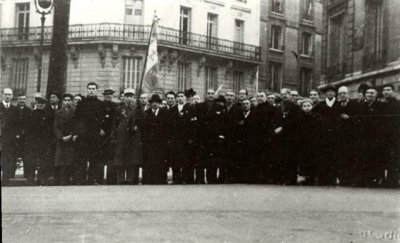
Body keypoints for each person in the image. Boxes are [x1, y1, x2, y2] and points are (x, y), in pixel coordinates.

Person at [74, 82, 106, 185]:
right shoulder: (81, 103)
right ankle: (81, 180)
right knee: (82, 158)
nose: (91, 90)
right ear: (87, 90)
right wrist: (77, 133)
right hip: (83, 135)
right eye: (90, 88)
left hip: (95, 135)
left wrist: (101, 129)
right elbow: (77, 119)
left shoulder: (101, 104)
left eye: (93, 88)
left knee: (94, 158)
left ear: (96, 90)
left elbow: (102, 120)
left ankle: (92, 180)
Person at [111, 88, 143, 184]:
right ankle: (120, 180)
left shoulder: (136, 108)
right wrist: (113, 137)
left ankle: (130, 180)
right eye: (127, 96)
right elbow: (114, 124)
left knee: (131, 160)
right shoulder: (118, 109)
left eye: (131, 96)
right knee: (120, 160)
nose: (129, 98)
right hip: (121, 138)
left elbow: (143, 118)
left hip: (132, 138)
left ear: (133, 97)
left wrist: (139, 106)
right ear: (123, 97)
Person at [270, 88, 301, 185]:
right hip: (280, 136)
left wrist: (282, 127)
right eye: (282, 94)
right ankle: (282, 178)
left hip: (290, 136)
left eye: (286, 94)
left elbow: (295, 121)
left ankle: (291, 179)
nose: (284, 95)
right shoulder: (279, 107)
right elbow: (275, 119)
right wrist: (275, 128)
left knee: (290, 158)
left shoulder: (295, 107)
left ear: (290, 95)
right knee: (281, 158)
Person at [314, 84, 341, 185]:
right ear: (326, 93)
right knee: (323, 156)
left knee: (333, 157)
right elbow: (314, 116)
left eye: (332, 91)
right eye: (328, 91)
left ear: (335, 93)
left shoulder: (338, 104)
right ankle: (322, 178)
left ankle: (332, 178)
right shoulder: (320, 105)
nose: (330, 93)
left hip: (335, 135)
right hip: (323, 135)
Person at [359, 87, 386, 187]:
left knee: (377, 158)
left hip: (376, 136)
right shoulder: (362, 105)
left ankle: (377, 179)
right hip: (365, 136)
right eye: (367, 93)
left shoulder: (381, 106)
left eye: (372, 93)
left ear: (376, 94)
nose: (369, 95)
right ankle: (367, 179)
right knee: (366, 158)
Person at [24, 96, 53, 186]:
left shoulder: (49, 115)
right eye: (38, 103)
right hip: (33, 142)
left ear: (45, 104)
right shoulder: (32, 114)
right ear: (36, 104)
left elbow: (51, 129)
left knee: (44, 162)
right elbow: (28, 129)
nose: (40, 105)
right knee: (31, 162)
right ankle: (30, 181)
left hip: (45, 142)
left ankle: (42, 181)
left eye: (42, 103)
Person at [168, 91, 196, 184]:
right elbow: (170, 126)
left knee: (186, 159)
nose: (180, 98)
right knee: (176, 160)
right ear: (176, 98)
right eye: (178, 96)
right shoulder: (173, 109)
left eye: (182, 96)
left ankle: (186, 178)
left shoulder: (191, 108)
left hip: (187, 139)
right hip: (176, 139)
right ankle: (176, 178)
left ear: (185, 98)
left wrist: (191, 138)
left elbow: (193, 125)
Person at [336, 86, 361, 186]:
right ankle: (342, 179)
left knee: (350, 157)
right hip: (339, 136)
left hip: (351, 136)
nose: (342, 95)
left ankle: (350, 179)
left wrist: (349, 118)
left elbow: (358, 118)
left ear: (348, 94)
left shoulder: (354, 104)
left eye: (344, 93)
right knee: (340, 157)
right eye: (340, 93)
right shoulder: (336, 105)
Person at [142, 94, 169, 184]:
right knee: (150, 160)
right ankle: (149, 179)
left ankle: (161, 179)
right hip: (150, 142)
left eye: (156, 102)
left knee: (161, 161)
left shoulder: (164, 113)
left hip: (161, 142)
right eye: (153, 102)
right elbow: (144, 129)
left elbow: (167, 128)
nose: (154, 104)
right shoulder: (146, 113)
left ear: (159, 103)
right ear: (150, 103)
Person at [296, 99, 322, 185]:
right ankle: (305, 177)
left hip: (314, 141)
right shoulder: (299, 117)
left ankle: (314, 177)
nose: (307, 108)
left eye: (308, 106)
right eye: (304, 106)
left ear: (312, 106)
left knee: (314, 159)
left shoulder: (317, 116)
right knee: (304, 159)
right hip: (303, 142)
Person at [54, 94, 77, 185]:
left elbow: (77, 125)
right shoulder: (58, 113)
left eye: (69, 100)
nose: (67, 102)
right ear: (62, 101)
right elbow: (56, 127)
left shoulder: (75, 112)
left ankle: (68, 179)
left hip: (71, 140)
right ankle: (60, 180)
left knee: (70, 160)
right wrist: (61, 137)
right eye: (65, 100)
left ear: (71, 101)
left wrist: (71, 135)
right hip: (61, 140)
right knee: (60, 160)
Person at [380, 84, 400, 187]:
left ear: (393, 91)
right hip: (384, 135)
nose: (386, 92)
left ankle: (393, 180)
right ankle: (384, 179)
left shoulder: (397, 104)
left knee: (394, 158)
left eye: (388, 90)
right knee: (384, 157)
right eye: (384, 90)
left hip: (395, 135)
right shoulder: (381, 104)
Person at [236, 98, 258, 183]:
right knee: (241, 160)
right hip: (241, 141)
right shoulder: (238, 114)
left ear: (250, 105)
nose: (245, 105)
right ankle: (241, 178)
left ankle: (250, 178)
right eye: (243, 104)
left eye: (247, 104)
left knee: (250, 160)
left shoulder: (255, 115)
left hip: (251, 142)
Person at [0, 88, 18, 186]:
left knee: (6, 159)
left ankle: (5, 180)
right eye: (6, 94)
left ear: (12, 96)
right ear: (2, 95)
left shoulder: (14, 109)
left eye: (9, 94)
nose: (7, 96)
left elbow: (16, 125)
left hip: (9, 139)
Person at [101, 88, 117, 184]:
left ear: (112, 95)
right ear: (104, 95)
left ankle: (112, 180)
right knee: (101, 158)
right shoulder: (100, 105)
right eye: (106, 94)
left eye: (110, 94)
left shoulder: (116, 106)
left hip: (111, 135)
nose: (108, 96)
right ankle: (99, 179)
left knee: (111, 158)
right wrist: (100, 129)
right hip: (101, 134)